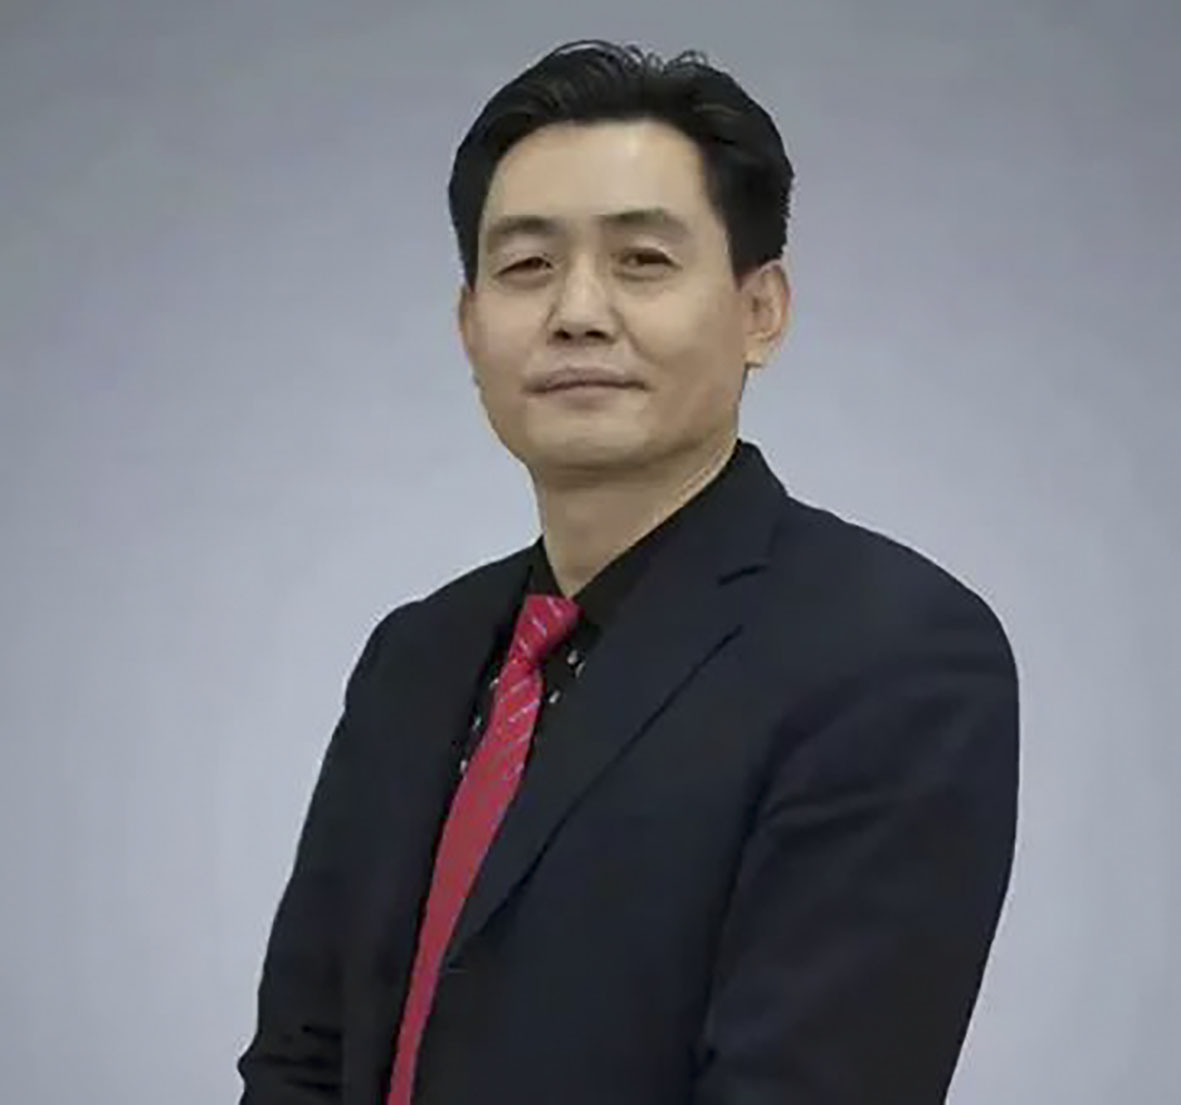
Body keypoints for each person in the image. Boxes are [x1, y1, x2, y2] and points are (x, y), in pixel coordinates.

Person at [237, 38, 1019, 1105]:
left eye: (641, 261)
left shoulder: (892, 652)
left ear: (760, 311)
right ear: (468, 325)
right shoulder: (413, 654)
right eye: (526, 267)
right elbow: (301, 1057)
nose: (577, 311)